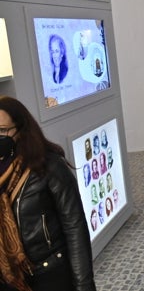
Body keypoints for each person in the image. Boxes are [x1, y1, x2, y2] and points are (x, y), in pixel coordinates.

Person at [0, 95, 96, 291]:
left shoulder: (49, 166)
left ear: (21, 129)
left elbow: (75, 227)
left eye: (2, 130)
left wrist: (84, 285)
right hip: (9, 278)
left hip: (49, 274)